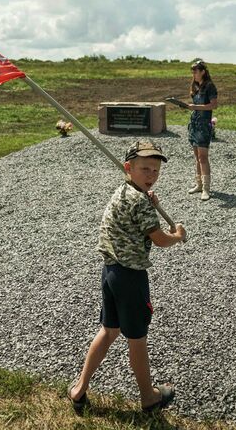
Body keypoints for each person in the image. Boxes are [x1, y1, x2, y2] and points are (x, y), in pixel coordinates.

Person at [68, 140, 187, 414]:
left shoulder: (124, 191)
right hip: (131, 278)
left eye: (155, 170)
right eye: (144, 169)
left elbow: (136, 208)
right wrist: (177, 236)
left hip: (110, 272)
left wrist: (149, 200)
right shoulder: (140, 203)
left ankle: (79, 389)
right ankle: (149, 397)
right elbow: (158, 239)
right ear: (128, 168)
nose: (151, 175)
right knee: (137, 340)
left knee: (109, 331)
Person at [186, 59, 219, 201]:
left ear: (203, 72)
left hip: (204, 125)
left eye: (195, 71)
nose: (193, 73)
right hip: (194, 124)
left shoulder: (210, 86)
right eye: (192, 71)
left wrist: (195, 107)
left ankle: (206, 188)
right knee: (197, 157)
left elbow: (213, 105)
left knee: (203, 157)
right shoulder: (196, 87)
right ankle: (198, 185)